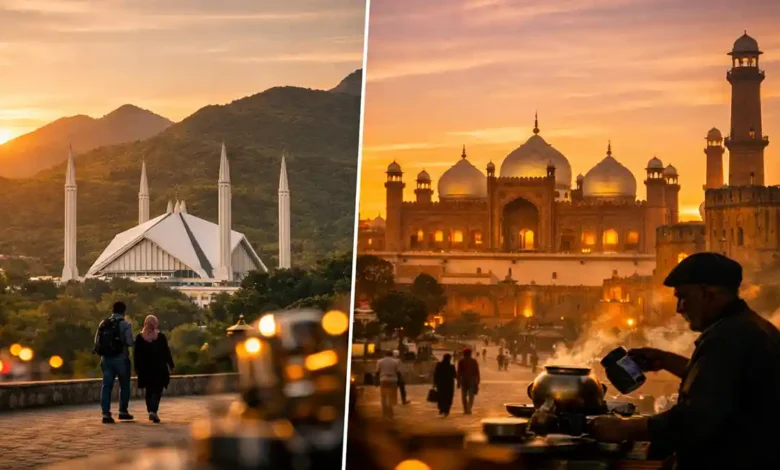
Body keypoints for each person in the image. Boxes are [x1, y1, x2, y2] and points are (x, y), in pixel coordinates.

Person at [589, 253, 780, 470]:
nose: (679, 308)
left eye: (684, 297)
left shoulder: (727, 338)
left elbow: (696, 419)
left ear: (708, 294)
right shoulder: (750, 328)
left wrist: (626, 428)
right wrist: (666, 361)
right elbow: (726, 386)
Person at [94, 301, 134, 423]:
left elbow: (96, 341)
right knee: (124, 386)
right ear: (124, 311)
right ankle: (123, 411)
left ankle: (106, 413)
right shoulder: (126, 324)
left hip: (106, 359)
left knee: (106, 386)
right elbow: (129, 342)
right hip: (121, 359)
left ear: (113, 310)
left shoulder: (103, 323)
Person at [133, 315, 175, 423]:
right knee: (157, 390)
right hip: (159, 368)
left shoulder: (139, 337)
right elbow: (166, 352)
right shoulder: (160, 337)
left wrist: (136, 368)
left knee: (149, 390)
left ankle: (151, 410)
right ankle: (153, 410)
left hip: (145, 369)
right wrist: (171, 365)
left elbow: (136, 355)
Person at [375, 350, 401, 418]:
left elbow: (377, 372)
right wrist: (399, 381)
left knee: (383, 396)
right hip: (393, 380)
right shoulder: (395, 362)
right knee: (391, 396)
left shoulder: (380, 361)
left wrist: (376, 381)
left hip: (383, 380)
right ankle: (390, 411)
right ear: (392, 354)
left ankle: (384, 412)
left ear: (385, 354)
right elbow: (398, 372)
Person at [457, 348, 480, 415]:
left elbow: (459, 372)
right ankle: (469, 408)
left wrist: (458, 381)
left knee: (464, 396)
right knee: (471, 395)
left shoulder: (461, 361)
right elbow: (477, 371)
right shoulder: (474, 361)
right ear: (470, 354)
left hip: (464, 380)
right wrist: (478, 380)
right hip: (472, 380)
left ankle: (465, 409)